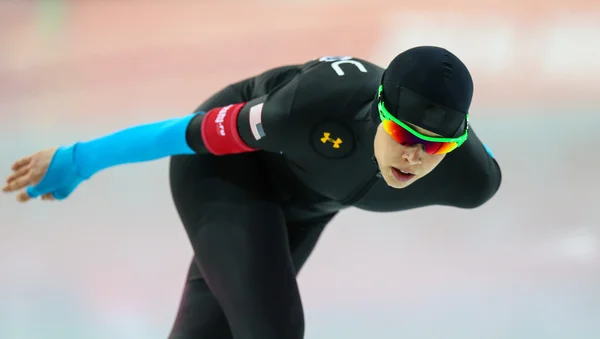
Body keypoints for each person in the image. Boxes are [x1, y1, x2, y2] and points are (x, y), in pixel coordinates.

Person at [3, 46, 502, 339]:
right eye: (403, 136)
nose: (415, 157)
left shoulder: (470, 179)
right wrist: (76, 160)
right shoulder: (308, 107)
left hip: (303, 209)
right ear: (376, 113)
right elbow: (183, 133)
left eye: (434, 146)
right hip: (226, 172)